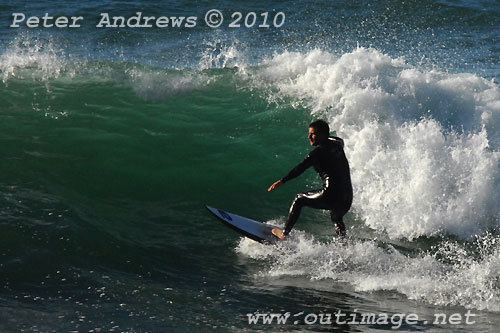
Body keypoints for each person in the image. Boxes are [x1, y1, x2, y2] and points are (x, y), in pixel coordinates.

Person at [268, 120, 353, 240]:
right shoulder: (338, 144)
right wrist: (326, 135)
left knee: (299, 199)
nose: (309, 137)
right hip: (347, 198)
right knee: (336, 217)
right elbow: (335, 138)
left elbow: (300, 168)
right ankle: (344, 246)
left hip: (331, 196)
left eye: (313, 134)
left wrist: (283, 180)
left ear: (322, 135)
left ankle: (284, 233)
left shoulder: (316, 153)